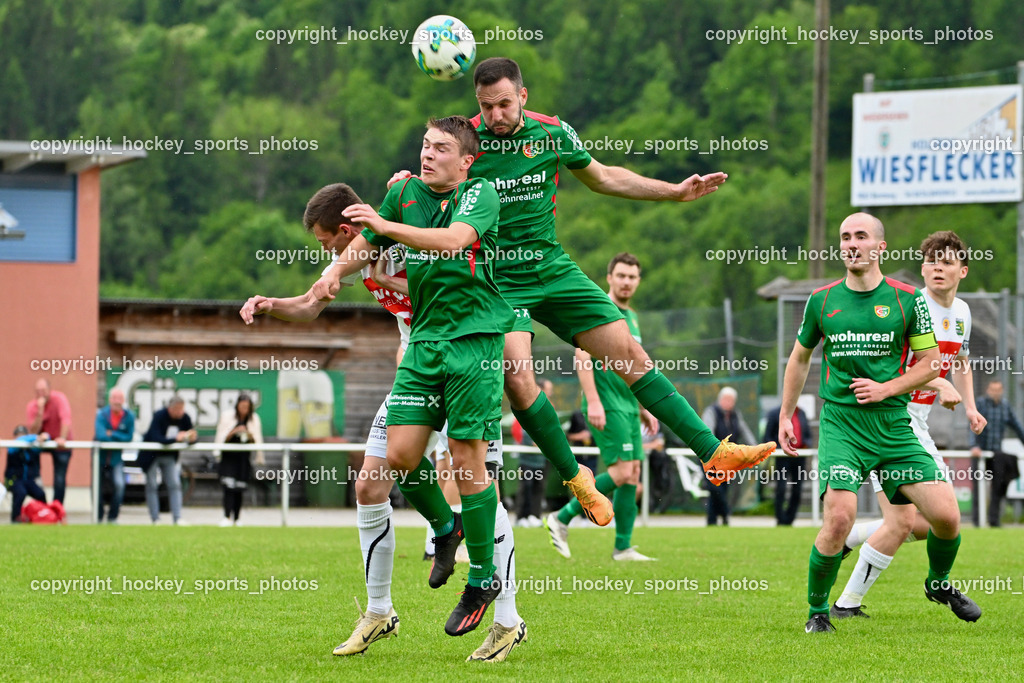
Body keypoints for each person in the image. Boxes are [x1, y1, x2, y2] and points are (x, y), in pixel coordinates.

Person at [320, 57, 776, 513]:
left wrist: (674, 191)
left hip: (553, 267)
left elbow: (603, 176)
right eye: (486, 106)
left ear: (523, 96)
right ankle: (577, 480)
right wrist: (398, 193)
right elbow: (427, 188)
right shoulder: (469, 146)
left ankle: (713, 450)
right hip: (499, 281)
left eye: (503, 104)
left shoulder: (552, 133)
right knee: (519, 378)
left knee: (630, 355)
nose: (495, 116)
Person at [239, 120, 526, 660]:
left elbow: (449, 256)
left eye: (328, 240)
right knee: (375, 480)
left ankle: (506, 617)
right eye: (424, 146)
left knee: (470, 476)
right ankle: (383, 608)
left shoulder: (424, 217)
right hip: (420, 364)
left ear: (347, 226)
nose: (327, 250)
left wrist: (383, 251)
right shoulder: (381, 225)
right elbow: (314, 298)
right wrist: (276, 302)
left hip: (471, 354)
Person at [780, 213, 980, 634]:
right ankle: (819, 612)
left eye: (861, 236)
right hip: (842, 425)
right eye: (845, 237)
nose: (851, 244)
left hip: (893, 424)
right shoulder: (822, 300)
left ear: (880, 247)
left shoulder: (908, 301)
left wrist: (888, 389)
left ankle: (938, 583)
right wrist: (786, 414)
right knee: (839, 518)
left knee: (945, 517)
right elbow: (799, 358)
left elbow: (931, 364)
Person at [834, 231, 988, 617]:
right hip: (890, 421)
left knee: (923, 524)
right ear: (922, 268)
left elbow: (962, 362)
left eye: (947, 261)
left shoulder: (963, 313)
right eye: (932, 260)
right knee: (922, 521)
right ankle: (853, 602)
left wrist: (970, 406)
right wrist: (937, 380)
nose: (938, 267)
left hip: (917, 422)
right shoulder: (908, 304)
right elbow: (897, 365)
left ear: (962, 271)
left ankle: (848, 544)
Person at [545, 253, 659, 561]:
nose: (626, 282)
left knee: (633, 472)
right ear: (609, 277)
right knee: (621, 472)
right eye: (621, 275)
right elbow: (582, 356)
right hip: (606, 402)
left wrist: (644, 405)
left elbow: (633, 363)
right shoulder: (599, 306)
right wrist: (593, 401)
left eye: (632, 277)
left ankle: (623, 547)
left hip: (627, 403)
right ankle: (562, 517)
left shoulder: (632, 317)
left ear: (638, 281)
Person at [700, 387, 757, 526]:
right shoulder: (711, 412)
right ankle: (725, 513)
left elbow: (745, 432)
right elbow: (708, 432)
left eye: (731, 400)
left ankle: (712, 520)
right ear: (720, 399)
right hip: (709, 457)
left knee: (723, 489)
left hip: (727, 460)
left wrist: (755, 449)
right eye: (726, 399)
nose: (728, 402)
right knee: (715, 489)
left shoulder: (735, 415)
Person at [973, 380, 1024, 527]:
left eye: (998, 390)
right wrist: (974, 446)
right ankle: (977, 521)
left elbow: (1017, 426)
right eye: (992, 389)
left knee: (998, 486)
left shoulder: (1005, 406)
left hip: (996, 454)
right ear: (988, 390)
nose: (995, 392)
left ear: (1001, 390)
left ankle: (994, 520)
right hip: (980, 451)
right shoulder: (981, 403)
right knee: (978, 488)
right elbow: (972, 423)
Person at [141, 396, 197, 525]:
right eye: (177, 409)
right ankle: (155, 519)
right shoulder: (159, 416)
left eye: (182, 409)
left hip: (169, 456)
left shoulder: (184, 418)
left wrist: (191, 438)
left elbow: (191, 436)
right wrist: (176, 439)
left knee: (175, 484)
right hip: (151, 456)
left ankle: (177, 518)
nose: (180, 412)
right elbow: (156, 437)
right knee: (152, 485)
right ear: (170, 408)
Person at [213, 393, 264, 527]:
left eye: (247, 407)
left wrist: (249, 434)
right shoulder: (227, 417)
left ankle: (237, 517)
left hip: (243, 458)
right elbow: (222, 436)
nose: (244, 409)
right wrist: (235, 431)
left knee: (239, 488)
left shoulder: (254, 419)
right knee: (228, 487)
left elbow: (256, 440)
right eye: (242, 406)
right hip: (229, 457)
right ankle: (226, 516)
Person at [25, 378, 73, 503]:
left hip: (60, 442)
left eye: (43, 390)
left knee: (59, 477)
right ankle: (41, 502)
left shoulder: (59, 399)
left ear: (49, 390)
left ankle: (57, 508)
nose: (41, 394)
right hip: (43, 441)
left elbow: (66, 420)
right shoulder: (32, 405)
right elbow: (32, 432)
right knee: (31, 465)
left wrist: (62, 438)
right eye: (38, 391)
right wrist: (40, 412)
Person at [764, 404, 811, 526]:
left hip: (799, 456)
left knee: (797, 489)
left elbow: (808, 435)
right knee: (781, 488)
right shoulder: (775, 413)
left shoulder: (801, 413)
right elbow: (767, 436)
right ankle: (780, 519)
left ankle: (790, 519)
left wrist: (806, 444)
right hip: (782, 457)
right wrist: (779, 448)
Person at [94, 388, 136, 524]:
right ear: (109, 399)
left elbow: (129, 437)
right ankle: (98, 517)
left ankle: (112, 517)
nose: (117, 401)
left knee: (119, 485)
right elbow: (100, 436)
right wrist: (117, 437)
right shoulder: (102, 414)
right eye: (114, 398)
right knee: (96, 487)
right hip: (99, 458)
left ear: (123, 401)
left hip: (116, 458)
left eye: (119, 399)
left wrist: (111, 434)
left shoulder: (129, 416)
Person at [513, 380, 550, 527]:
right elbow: (521, 431)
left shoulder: (546, 409)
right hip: (526, 459)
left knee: (538, 487)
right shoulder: (524, 407)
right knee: (525, 486)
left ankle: (535, 516)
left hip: (541, 460)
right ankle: (521, 516)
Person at [4, 425, 47, 523]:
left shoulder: (31, 448)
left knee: (40, 494)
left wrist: (44, 436)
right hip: (14, 480)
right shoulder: (12, 447)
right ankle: (15, 518)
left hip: (29, 480)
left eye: (23, 435)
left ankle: (44, 515)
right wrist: (36, 437)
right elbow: (18, 442)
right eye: (19, 435)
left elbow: (47, 438)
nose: (21, 437)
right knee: (20, 492)